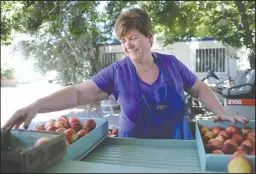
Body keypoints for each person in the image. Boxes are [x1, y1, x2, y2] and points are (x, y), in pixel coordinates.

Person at [2, 8, 248, 139]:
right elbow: (78, 93)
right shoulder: (117, 72)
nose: (128, 45)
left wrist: (221, 112)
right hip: (131, 153)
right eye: (123, 40)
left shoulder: (172, 64)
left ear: (150, 38)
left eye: (133, 38)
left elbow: (199, 88)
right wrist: (35, 105)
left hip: (178, 148)